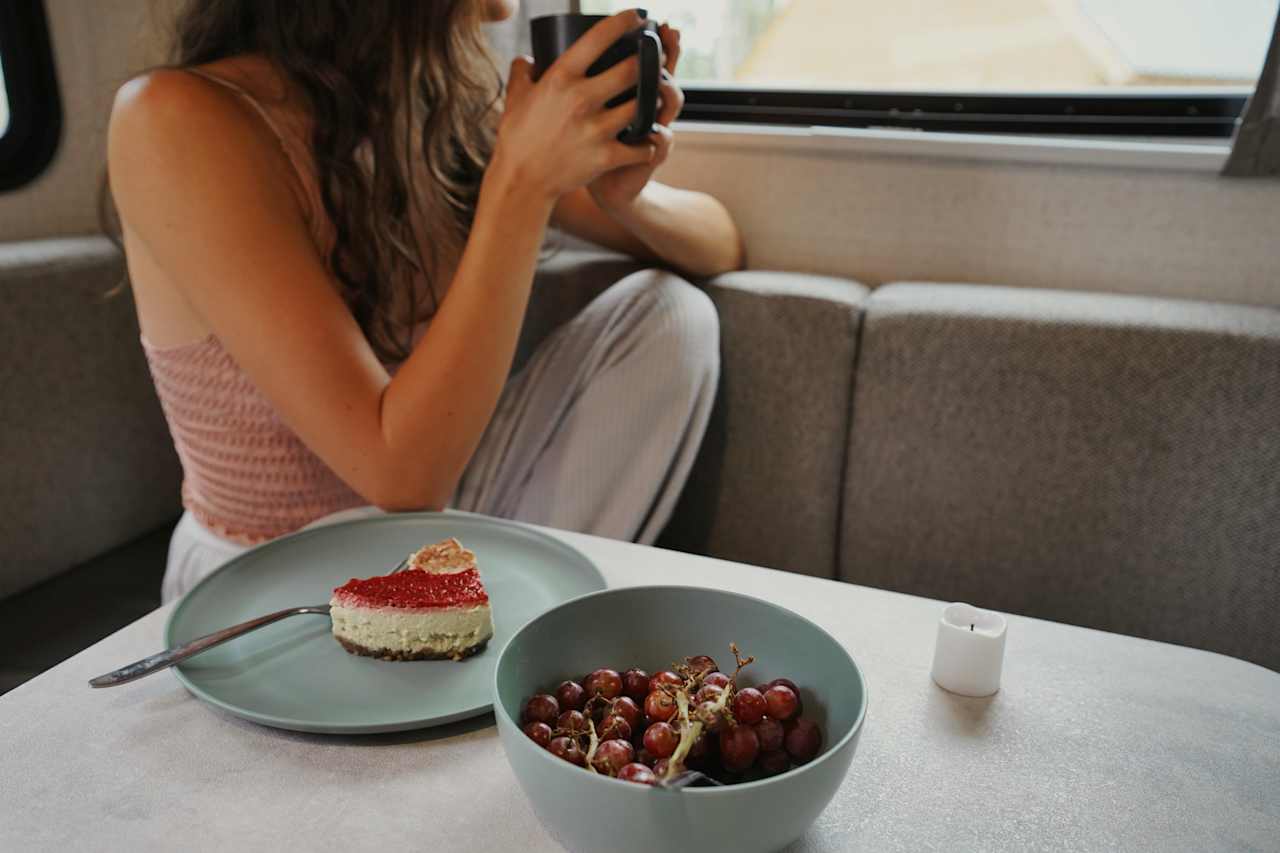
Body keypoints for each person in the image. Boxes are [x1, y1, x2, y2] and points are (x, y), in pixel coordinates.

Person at [105, 1, 743, 602]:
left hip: (437, 534)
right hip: (275, 579)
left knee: (670, 313)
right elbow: (399, 476)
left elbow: (718, 244)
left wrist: (620, 196)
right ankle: (522, 634)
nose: (504, 9)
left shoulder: (434, 115)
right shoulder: (173, 117)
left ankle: (519, 628)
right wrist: (522, 184)